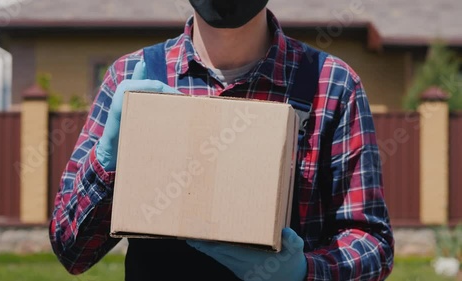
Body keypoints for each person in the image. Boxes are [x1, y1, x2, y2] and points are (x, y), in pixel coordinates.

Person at [49, 0, 394, 280]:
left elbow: (373, 246)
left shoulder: (330, 85)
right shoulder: (133, 77)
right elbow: (71, 251)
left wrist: (304, 272)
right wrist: (106, 164)